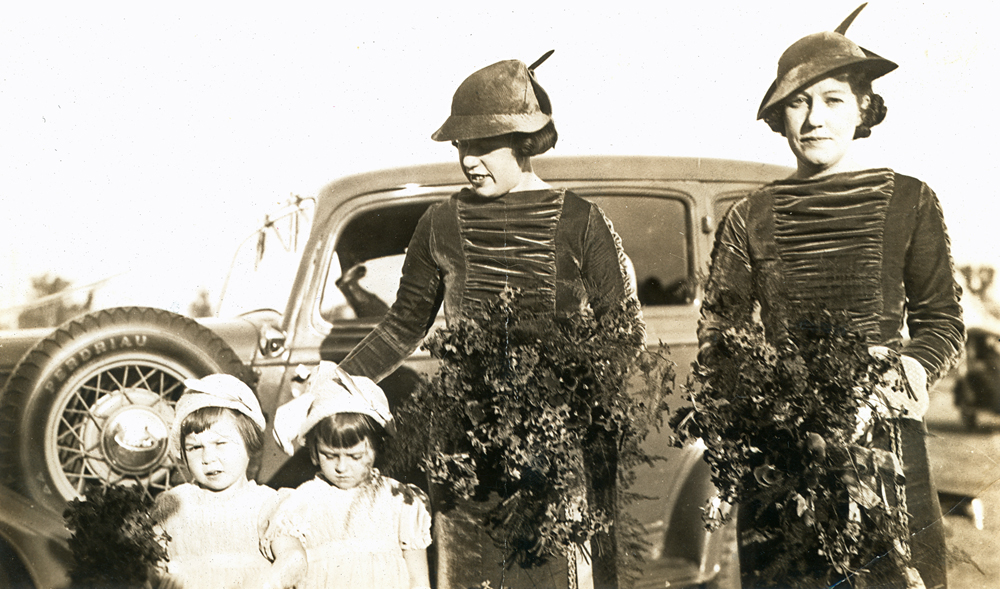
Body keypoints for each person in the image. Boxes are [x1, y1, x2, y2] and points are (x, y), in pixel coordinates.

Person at [275, 53, 639, 588]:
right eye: (461, 146)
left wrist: (569, 406)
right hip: (469, 440)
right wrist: (332, 387)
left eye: (484, 145)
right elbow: (403, 325)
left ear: (525, 142)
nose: (469, 160)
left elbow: (622, 332)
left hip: (561, 445)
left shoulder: (580, 220)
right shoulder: (440, 223)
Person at [698, 6, 964, 589]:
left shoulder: (910, 202)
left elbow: (941, 319)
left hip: (884, 448)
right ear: (779, 115)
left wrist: (910, 371)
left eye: (834, 100)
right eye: (799, 102)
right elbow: (720, 338)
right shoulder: (750, 217)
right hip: (780, 460)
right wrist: (755, 405)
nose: (815, 118)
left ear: (865, 107)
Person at [267, 361, 432, 589]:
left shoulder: (399, 501)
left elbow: (419, 580)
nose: (342, 467)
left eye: (354, 456)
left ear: (377, 448)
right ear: (314, 452)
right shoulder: (303, 501)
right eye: (329, 455)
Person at [152, 374, 306, 589]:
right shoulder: (174, 503)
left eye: (220, 443)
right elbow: (150, 560)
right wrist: (156, 576)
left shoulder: (267, 503)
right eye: (195, 448)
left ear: (249, 443)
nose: (208, 458)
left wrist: (267, 583)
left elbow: (293, 557)